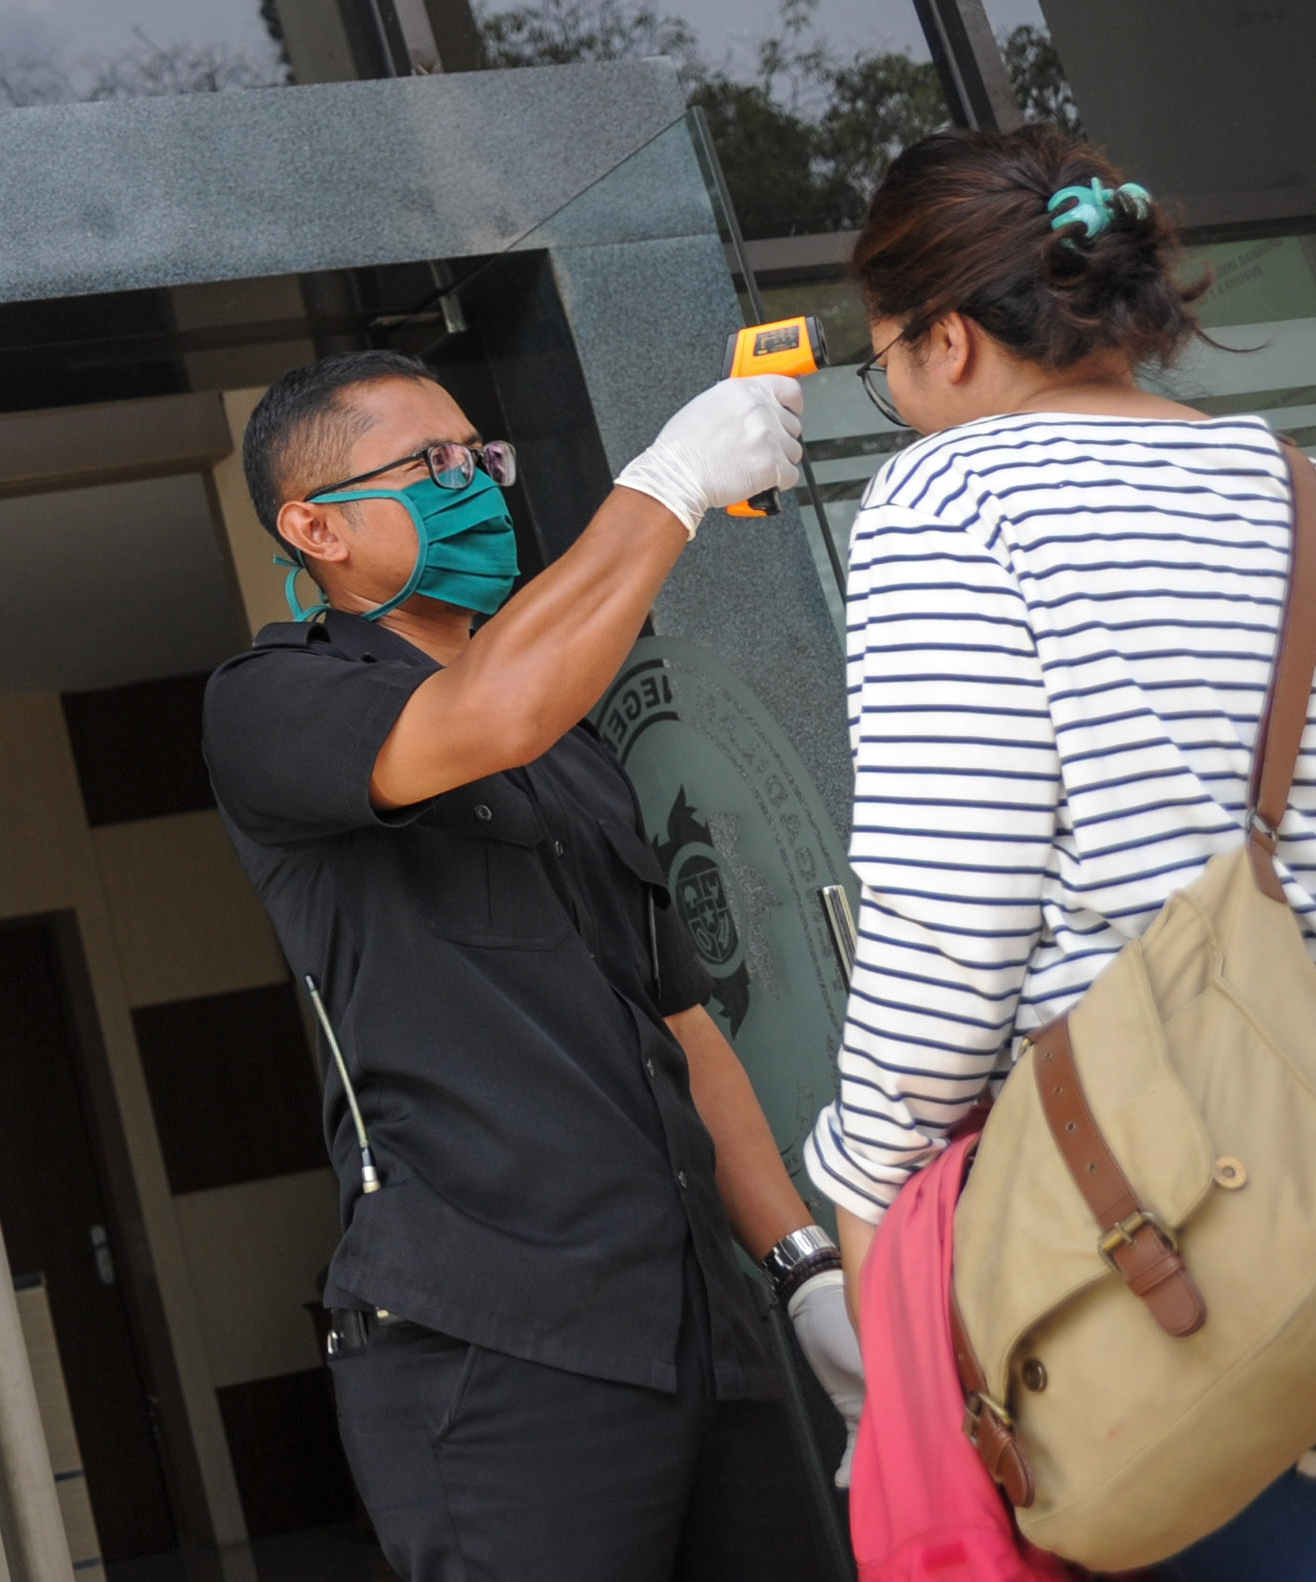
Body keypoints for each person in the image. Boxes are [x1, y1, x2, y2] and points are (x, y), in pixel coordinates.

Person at [807, 125, 1316, 1581]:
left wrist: (864, 1204)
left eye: (879, 359)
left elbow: (944, 936)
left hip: (1240, 1272)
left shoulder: (953, 504)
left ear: (946, 341)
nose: (890, 396)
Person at [201, 344, 860, 1582]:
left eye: (482, 457)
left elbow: (683, 1024)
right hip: (493, 1344)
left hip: (694, 1322)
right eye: (432, 464)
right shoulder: (272, 702)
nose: (478, 486)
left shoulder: (571, 746)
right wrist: (669, 481)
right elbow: (481, 717)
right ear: (313, 527)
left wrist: (802, 1270)